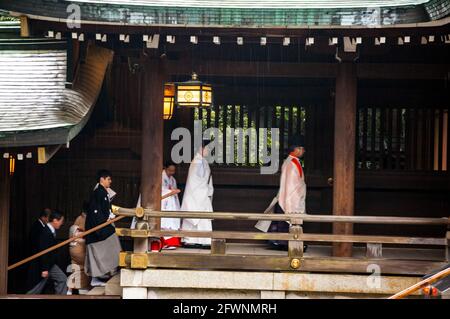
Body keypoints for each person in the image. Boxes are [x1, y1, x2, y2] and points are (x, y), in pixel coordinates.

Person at [255, 135, 307, 251]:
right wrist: (290, 201)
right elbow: (289, 185)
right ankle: (284, 244)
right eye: (302, 149)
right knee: (285, 223)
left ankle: (286, 243)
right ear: (297, 149)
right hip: (289, 197)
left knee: (286, 223)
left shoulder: (293, 162)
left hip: (292, 197)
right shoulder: (290, 163)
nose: (303, 151)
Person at [131, 161, 182, 250]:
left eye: (173, 171)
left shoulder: (173, 179)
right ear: (165, 168)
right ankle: (159, 243)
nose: (172, 173)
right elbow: (158, 190)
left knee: (170, 221)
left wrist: (172, 192)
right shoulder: (159, 177)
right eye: (170, 170)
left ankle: (169, 242)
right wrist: (171, 192)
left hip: (168, 203)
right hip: (158, 203)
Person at [84, 170, 121, 287]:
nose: (111, 181)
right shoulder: (98, 192)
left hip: (102, 225)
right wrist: (101, 226)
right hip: (97, 227)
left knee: (113, 245)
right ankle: (96, 277)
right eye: (109, 179)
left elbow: (104, 210)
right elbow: (96, 212)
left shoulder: (102, 192)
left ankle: (106, 274)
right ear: (102, 179)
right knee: (104, 248)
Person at [180, 144, 214, 248]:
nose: (208, 151)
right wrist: (206, 189)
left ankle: (204, 240)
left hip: (201, 194)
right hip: (196, 194)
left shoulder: (203, 161)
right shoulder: (196, 161)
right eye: (207, 149)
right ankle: (190, 240)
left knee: (203, 219)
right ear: (201, 149)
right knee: (196, 217)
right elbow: (195, 180)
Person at [27, 211, 68, 295]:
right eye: (61, 221)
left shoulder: (50, 230)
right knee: (36, 289)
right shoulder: (45, 232)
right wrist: (44, 269)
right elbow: (43, 251)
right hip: (43, 265)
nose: (62, 223)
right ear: (55, 220)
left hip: (50, 264)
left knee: (62, 279)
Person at [66, 202, 90, 294]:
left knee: (76, 268)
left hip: (73, 247)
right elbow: (76, 233)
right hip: (79, 247)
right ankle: (80, 288)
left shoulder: (79, 218)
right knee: (84, 268)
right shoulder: (85, 219)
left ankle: (71, 289)